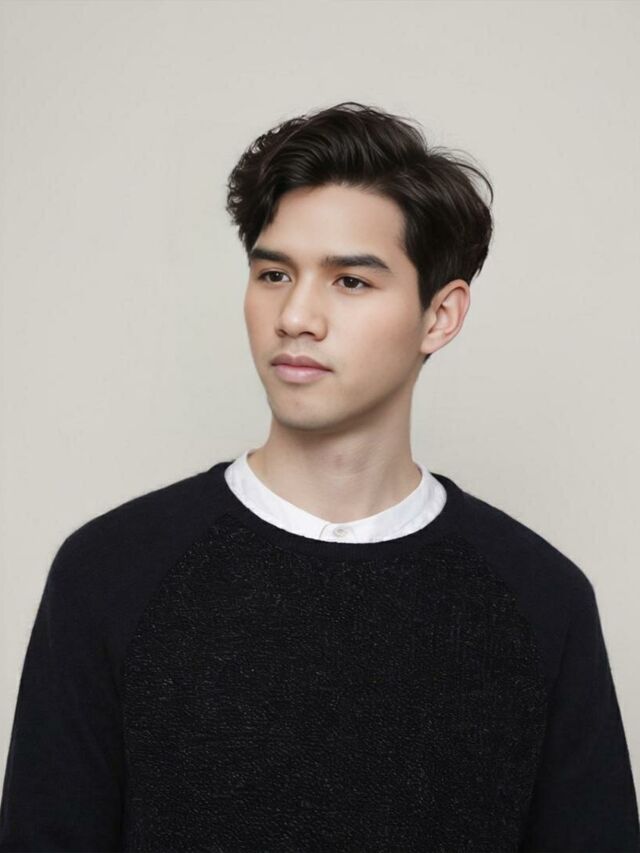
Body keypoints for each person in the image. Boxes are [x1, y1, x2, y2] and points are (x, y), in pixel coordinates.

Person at [0, 101, 638, 852]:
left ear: (440, 316)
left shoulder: (541, 599)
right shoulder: (110, 572)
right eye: (274, 273)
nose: (296, 316)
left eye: (351, 281)